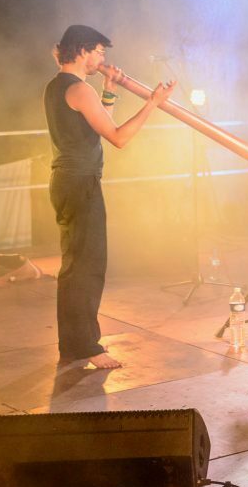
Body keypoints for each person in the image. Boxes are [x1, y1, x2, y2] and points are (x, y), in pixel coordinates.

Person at [44, 24, 176, 368]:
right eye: (100, 52)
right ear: (84, 50)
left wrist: (109, 89)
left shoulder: (60, 86)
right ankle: (85, 346)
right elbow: (118, 137)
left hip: (69, 181)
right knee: (86, 267)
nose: (103, 59)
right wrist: (152, 103)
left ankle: (74, 344)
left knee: (77, 265)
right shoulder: (77, 89)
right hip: (79, 182)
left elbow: (99, 128)